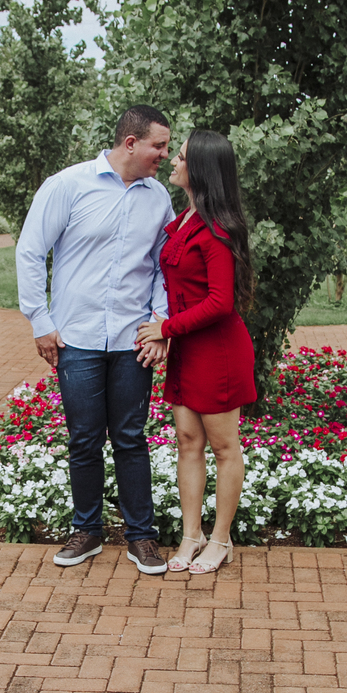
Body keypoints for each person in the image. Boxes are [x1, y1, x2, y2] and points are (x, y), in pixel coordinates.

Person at [15, 106, 174, 573]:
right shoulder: (68, 185)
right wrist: (40, 320)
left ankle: (141, 537)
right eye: (159, 146)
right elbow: (30, 251)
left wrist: (160, 321)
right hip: (76, 337)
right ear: (131, 143)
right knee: (84, 439)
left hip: (132, 339)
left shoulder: (158, 197)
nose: (165, 155)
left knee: (130, 438)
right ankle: (85, 531)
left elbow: (164, 265)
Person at [135, 129, 256, 575]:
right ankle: (192, 536)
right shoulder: (185, 220)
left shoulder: (217, 229)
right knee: (188, 443)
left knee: (224, 448)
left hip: (218, 352)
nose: (173, 160)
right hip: (188, 349)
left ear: (201, 169)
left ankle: (220, 540)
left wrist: (165, 328)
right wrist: (169, 331)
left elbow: (221, 302)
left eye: (181, 156)